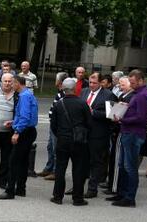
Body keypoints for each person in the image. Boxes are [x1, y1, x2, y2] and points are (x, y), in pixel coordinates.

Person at [106, 70, 147, 207]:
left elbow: (141, 118)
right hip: (128, 132)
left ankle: (130, 197)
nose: (131, 85)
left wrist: (122, 118)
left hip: (134, 134)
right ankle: (122, 193)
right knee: (123, 165)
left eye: (133, 82)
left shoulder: (143, 95)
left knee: (130, 167)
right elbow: (136, 112)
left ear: (140, 80)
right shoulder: (138, 94)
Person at [47, 77, 91, 206]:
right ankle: (78, 198)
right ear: (75, 89)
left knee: (60, 168)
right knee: (78, 169)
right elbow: (89, 123)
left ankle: (57, 196)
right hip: (78, 141)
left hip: (63, 140)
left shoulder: (58, 104)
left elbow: (53, 125)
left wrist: (60, 134)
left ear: (63, 89)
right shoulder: (82, 103)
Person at [0, 76, 38, 199]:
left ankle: (10, 191)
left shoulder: (24, 96)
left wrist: (17, 131)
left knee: (13, 161)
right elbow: (25, 116)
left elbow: (25, 117)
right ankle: (20, 189)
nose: (11, 85)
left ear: (18, 83)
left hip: (24, 132)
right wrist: (13, 122)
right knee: (23, 162)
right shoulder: (28, 94)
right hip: (29, 131)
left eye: (13, 83)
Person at [82, 73, 118, 198]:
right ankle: (78, 186)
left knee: (96, 161)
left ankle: (92, 189)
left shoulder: (108, 95)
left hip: (99, 134)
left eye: (94, 83)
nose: (91, 85)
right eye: (90, 83)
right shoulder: (84, 91)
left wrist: (93, 112)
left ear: (101, 82)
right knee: (82, 160)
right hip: (83, 133)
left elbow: (113, 116)